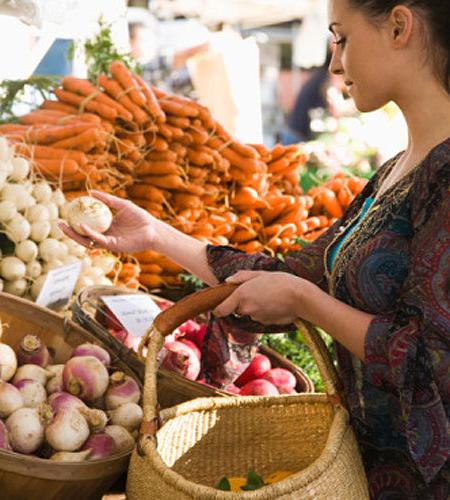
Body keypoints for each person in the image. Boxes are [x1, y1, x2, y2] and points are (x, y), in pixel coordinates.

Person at [61, 0, 450, 497]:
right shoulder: (399, 167)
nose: (334, 63)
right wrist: (155, 235)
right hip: (368, 471)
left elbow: (430, 357)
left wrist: (307, 303)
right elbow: (295, 274)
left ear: (399, 26)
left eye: (342, 37)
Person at [281, 49, 333, 144]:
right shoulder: (324, 77)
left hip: (293, 130)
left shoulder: (318, 75)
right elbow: (330, 101)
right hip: (297, 134)